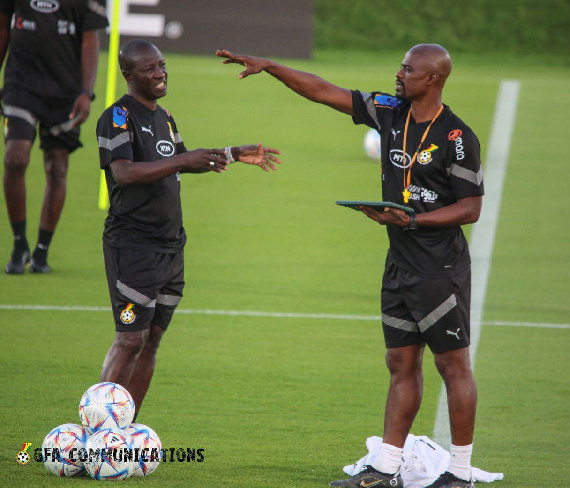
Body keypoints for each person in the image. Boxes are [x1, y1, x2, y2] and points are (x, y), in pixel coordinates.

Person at [217, 44, 483, 488]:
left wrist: (414, 219)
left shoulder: (457, 137)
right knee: (400, 362)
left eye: (408, 69)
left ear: (433, 79)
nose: (399, 74)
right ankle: (386, 467)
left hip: (441, 269)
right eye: (400, 66)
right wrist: (272, 66)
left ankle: (459, 473)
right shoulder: (389, 112)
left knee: (452, 367)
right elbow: (324, 92)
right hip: (399, 264)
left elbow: (471, 207)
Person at [97, 40, 281, 419]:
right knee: (130, 339)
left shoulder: (164, 116)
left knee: (151, 342)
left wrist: (230, 154)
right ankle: (95, 432)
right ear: (129, 75)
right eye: (149, 69)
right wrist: (183, 158)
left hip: (171, 247)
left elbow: (183, 163)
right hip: (134, 245)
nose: (160, 73)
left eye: (162, 65)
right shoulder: (117, 117)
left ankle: (125, 429)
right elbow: (124, 172)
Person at [0, 0, 108, 274]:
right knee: (14, 158)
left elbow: (90, 40)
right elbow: (3, 26)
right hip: (19, 85)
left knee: (57, 166)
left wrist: (87, 92)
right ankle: (19, 243)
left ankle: (42, 250)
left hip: (65, 92)